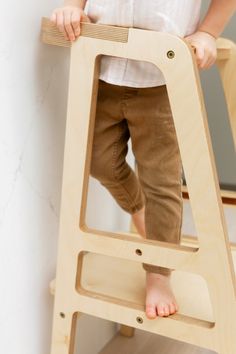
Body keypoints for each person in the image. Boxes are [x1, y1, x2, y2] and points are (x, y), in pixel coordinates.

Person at [50, 0, 236, 319]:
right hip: (103, 67)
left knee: (161, 183)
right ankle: (139, 209)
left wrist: (208, 32)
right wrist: (72, 6)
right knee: (97, 160)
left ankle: (159, 273)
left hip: (162, 78)